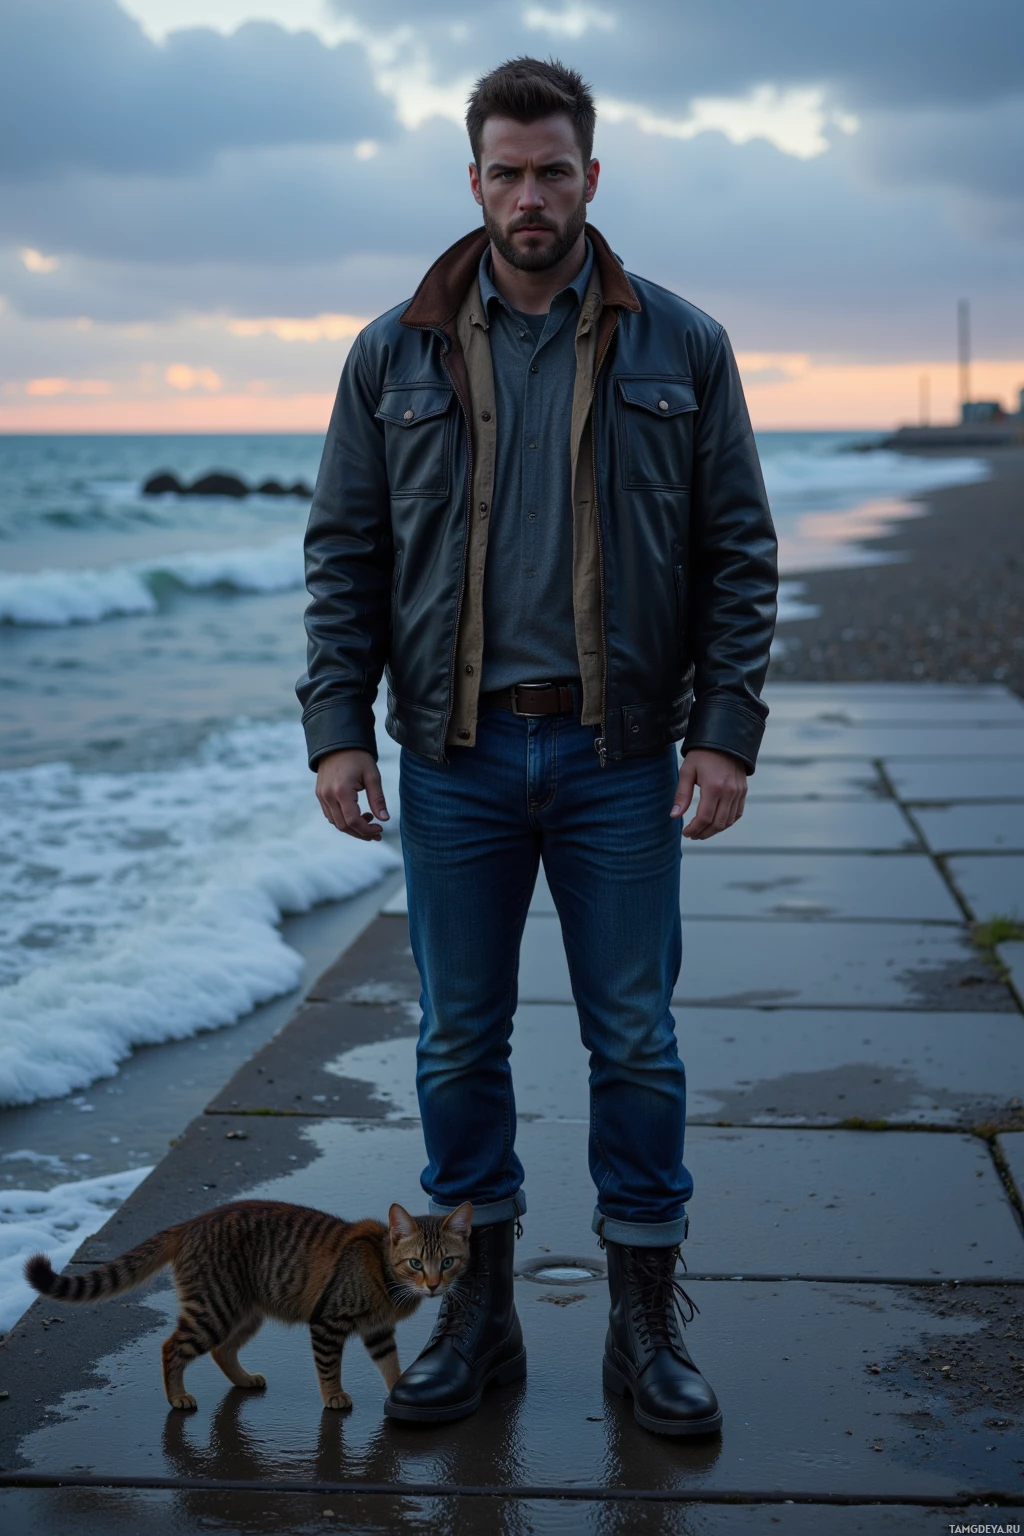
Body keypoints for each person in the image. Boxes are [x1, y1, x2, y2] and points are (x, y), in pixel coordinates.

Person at [298, 56, 778, 1437]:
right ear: (473, 183)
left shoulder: (679, 344)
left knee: (635, 1041)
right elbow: (344, 555)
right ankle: (478, 1312)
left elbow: (738, 550)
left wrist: (726, 734)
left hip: (620, 757)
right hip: (452, 761)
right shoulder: (395, 351)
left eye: (552, 170)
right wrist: (338, 733)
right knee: (458, 1041)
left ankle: (644, 1327)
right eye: (505, 172)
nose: (528, 196)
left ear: (591, 177)